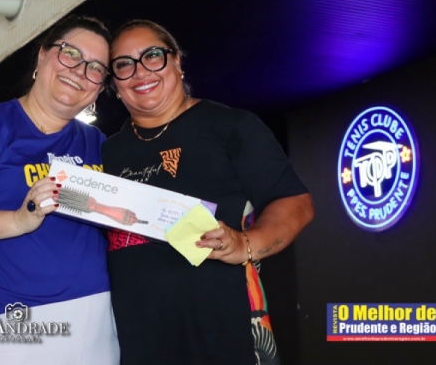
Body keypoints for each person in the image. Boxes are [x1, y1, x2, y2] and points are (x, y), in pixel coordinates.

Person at [102, 19, 314, 365]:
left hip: (226, 333)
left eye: (152, 55)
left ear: (177, 61)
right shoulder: (107, 153)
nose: (140, 72)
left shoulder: (230, 127)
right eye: (124, 64)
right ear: (115, 82)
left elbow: (296, 202)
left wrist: (245, 244)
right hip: (139, 340)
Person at [0, 15, 120, 365]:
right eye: (70, 53)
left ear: (99, 87)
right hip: (14, 320)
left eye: (95, 68)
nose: (80, 71)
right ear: (42, 55)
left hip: (96, 318)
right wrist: (19, 219)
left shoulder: (98, 142)